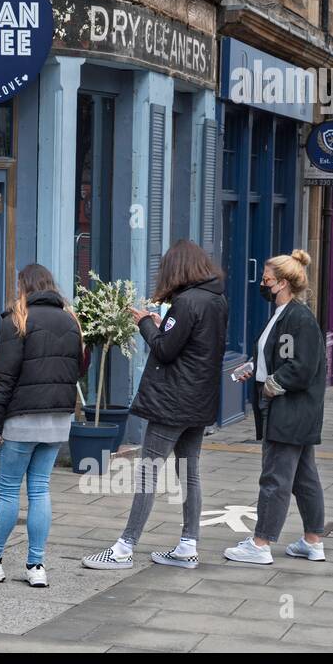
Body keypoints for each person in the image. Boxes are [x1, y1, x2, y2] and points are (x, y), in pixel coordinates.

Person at [82, 239, 228, 571]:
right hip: (200, 401)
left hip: (172, 402)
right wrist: (163, 328)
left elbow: (164, 350)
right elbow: (194, 346)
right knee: (189, 473)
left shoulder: (186, 302)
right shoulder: (217, 300)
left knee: (148, 473)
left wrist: (145, 323)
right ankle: (188, 545)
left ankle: (124, 548)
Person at [0, 264, 84, 587]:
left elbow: (4, 377)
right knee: (40, 489)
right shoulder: (71, 320)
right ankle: (36, 566)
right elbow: (78, 370)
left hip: (22, 419)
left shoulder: (18, 319)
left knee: (8, 492)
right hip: (57, 420)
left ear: (24, 286)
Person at [225, 249, 328, 566]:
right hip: (297, 412)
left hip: (289, 411)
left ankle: (260, 544)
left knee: (275, 478)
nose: (262, 282)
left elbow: (300, 367)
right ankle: (313, 542)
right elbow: (284, 356)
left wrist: (269, 386)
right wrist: (255, 367)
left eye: (266, 278)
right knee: (303, 478)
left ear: (282, 282)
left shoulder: (298, 318)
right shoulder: (287, 315)